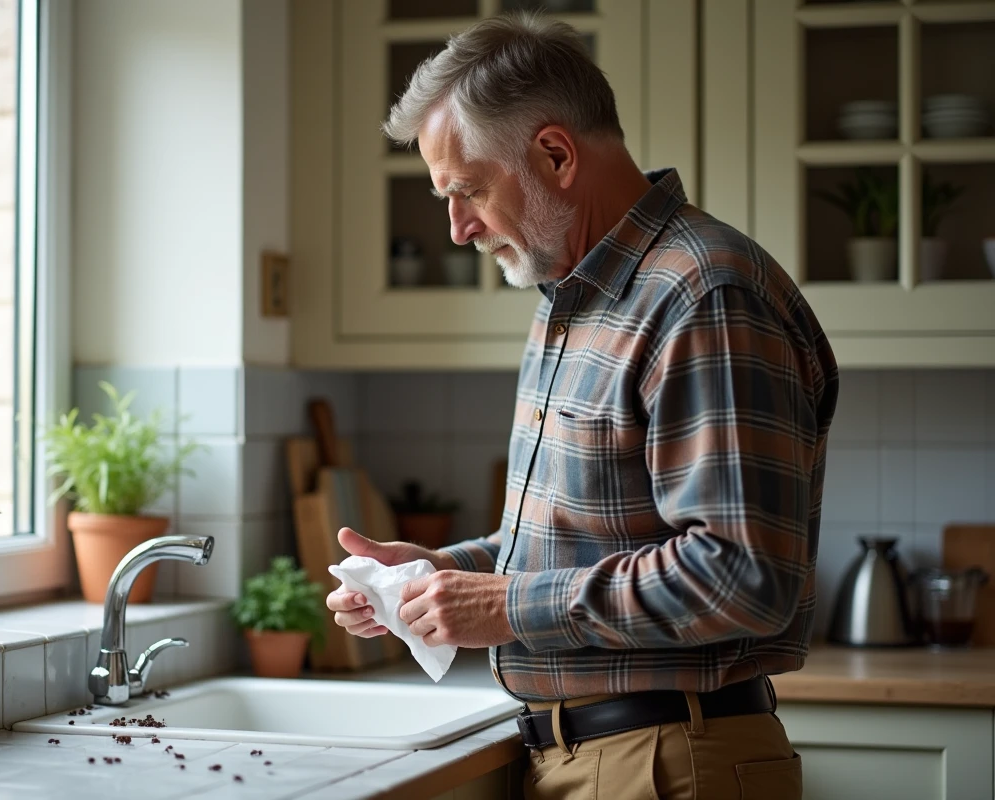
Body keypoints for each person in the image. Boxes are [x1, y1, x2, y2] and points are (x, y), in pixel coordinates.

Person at [326, 12, 839, 799]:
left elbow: (740, 575)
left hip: (668, 761)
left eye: (468, 190)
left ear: (556, 155)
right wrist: (441, 577)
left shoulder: (703, 294)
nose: (458, 229)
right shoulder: (573, 300)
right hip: (599, 757)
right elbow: (578, 545)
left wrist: (505, 605)